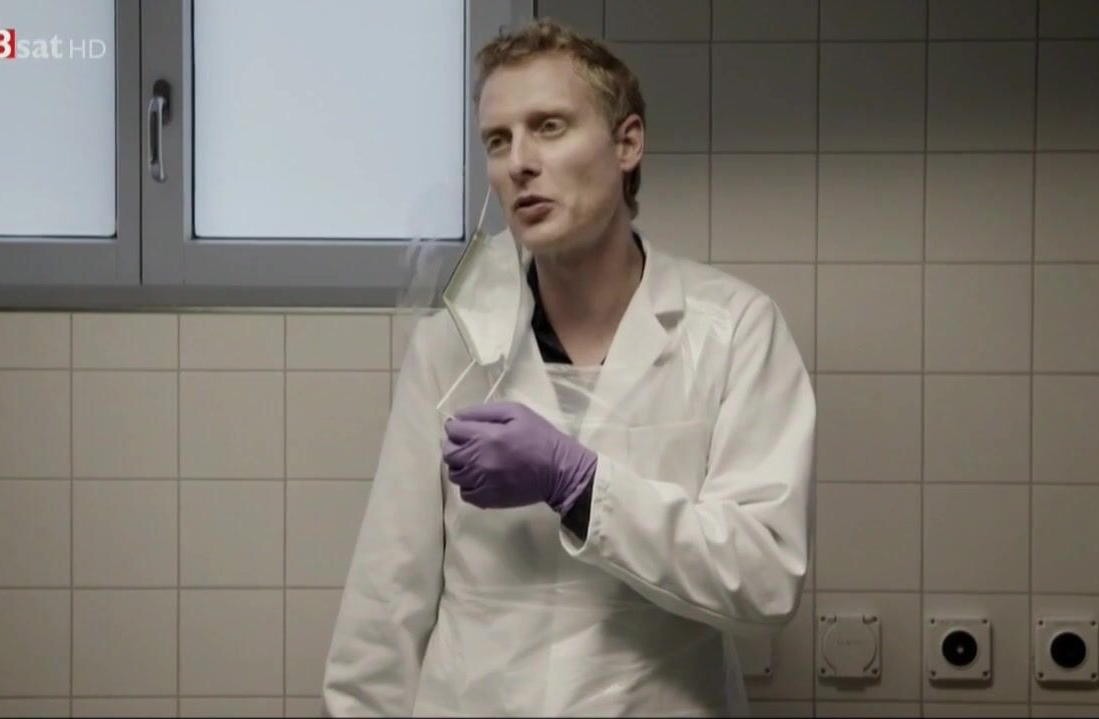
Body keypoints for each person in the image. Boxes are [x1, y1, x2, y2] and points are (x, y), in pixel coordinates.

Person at [322, 19, 815, 717]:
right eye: (498, 140)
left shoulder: (732, 330)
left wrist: (581, 484)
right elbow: (387, 593)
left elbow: (764, 578)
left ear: (627, 143)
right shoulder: (453, 344)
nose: (518, 163)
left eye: (549, 127)